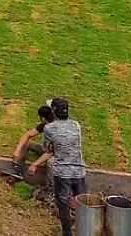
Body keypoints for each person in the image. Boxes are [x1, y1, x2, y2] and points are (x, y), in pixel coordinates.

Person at [28, 98, 87, 236]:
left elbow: (48, 150)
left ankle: (67, 233)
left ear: (54, 111)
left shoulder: (49, 128)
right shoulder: (76, 125)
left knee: (63, 204)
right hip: (79, 170)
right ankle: (85, 230)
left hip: (63, 173)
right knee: (82, 203)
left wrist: (35, 164)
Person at [9, 105, 55, 178]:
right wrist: (17, 150)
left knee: (51, 162)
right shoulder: (45, 124)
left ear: (42, 118)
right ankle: (16, 170)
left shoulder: (55, 129)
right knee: (27, 143)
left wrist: (35, 164)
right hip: (47, 149)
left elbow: (50, 152)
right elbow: (28, 134)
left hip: (55, 154)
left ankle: (50, 184)